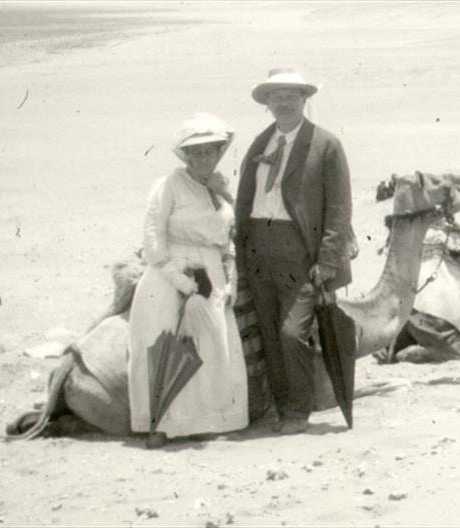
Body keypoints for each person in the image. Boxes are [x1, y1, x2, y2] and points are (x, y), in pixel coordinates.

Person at [235, 68, 353, 435]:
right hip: (258, 249)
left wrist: (328, 259)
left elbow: (338, 208)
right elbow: (245, 200)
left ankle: (299, 412)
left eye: (291, 95)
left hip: (299, 252)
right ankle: (283, 407)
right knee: (269, 333)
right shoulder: (259, 144)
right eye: (275, 96)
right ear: (266, 104)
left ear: (305, 100)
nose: (283, 103)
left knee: (291, 332)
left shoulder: (326, 145)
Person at [128, 113, 248, 448]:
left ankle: (205, 420)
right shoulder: (168, 186)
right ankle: (161, 424)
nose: (204, 158)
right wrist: (179, 281)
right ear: (186, 155)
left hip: (212, 275)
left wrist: (232, 277)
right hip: (171, 275)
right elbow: (153, 238)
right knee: (165, 342)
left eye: (210, 151)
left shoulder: (220, 192)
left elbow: (229, 240)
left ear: (219, 153)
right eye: (196, 152)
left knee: (212, 348)